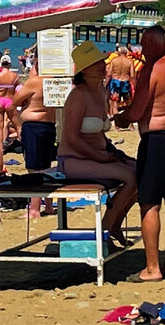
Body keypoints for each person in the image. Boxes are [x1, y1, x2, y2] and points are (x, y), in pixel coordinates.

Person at [114, 24, 165, 283]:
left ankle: (152, 268)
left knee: (149, 202)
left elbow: (138, 111)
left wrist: (122, 118)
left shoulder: (153, 68)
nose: (142, 50)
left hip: (157, 139)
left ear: (153, 45)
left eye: (144, 44)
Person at [59, 41, 138, 252]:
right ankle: (103, 232)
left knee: (143, 172)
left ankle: (114, 224)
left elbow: (100, 133)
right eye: (95, 64)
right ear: (84, 71)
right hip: (74, 159)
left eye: (102, 62)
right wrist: (99, 156)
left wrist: (110, 153)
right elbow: (70, 137)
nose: (102, 66)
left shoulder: (102, 92)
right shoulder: (78, 95)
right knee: (130, 178)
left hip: (97, 155)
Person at [12, 55, 57, 218]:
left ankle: (35, 209)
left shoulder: (35, 81)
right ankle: (50, 205)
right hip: (49, 126)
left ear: (37, 64)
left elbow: (15, 101)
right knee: (46, 166)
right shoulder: (56, 80)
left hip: (34, 126)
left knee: (34, 169)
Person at [0, 57, 22, 160]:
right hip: (10, 101)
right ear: (9, 64)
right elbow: (19, 89)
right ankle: (25, 146)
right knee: (18, 126)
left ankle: (0, 150)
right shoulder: (14, 76)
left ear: (1, 64)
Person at [107, 45, 135, 116]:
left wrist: (105, 84)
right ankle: (126, 120)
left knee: (114, 103)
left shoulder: (114, 61)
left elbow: (109, 73)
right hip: (125, 82)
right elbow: (132, 75)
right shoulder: (130, 61)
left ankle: (116, 123)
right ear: (126, 53)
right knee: (126, 103)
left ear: (118, 53)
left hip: (115, 82)